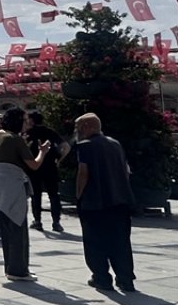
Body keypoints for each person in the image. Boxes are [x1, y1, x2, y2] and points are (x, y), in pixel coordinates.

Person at [0, 108, 52, 282]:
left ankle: (10, 267)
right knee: (18, 228)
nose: (27, 123)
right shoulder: (15, 139)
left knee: (7, 230)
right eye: (25, 120)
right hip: (13, 188)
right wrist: (43, 151)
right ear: (18, 121)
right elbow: (33, 165)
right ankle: (19, 271)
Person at [74, 113, 136, 292]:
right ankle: (125, 278)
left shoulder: (85, 146)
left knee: (95, 242)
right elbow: (125, 171)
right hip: (120, 200)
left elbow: (83, 172)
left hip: (95, 202)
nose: (77, 132)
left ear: (87, 127)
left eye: (78, 127)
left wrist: (79, 195)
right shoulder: (115, 144)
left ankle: (101, 278)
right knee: (121, 242)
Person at [23, 111, 68, 232]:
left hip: (34, 167)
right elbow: (66, 146)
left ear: (31, 120)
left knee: (35, 195)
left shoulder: (28, 133)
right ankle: (56, 222)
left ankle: (37, 221)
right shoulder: (49, 131)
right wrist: (59, 160)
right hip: (50, 167)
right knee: (53, 194)